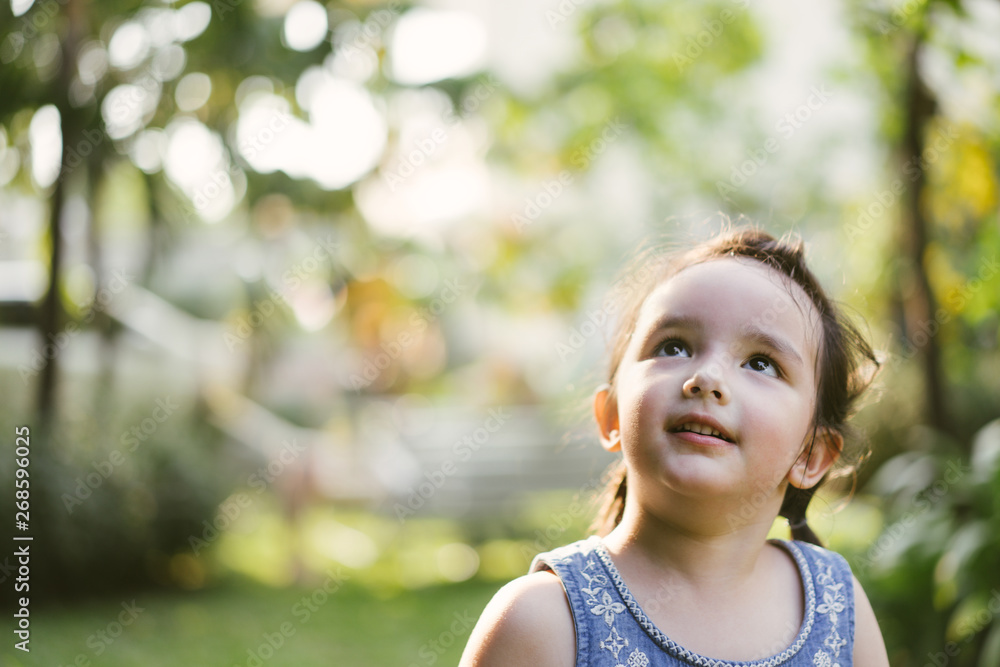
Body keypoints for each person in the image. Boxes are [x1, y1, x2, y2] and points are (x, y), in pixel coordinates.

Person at [459, 227, 890, 666]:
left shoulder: (839, 611)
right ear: (610, 416)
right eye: (674, 346)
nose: (706, 378)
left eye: (761, 363)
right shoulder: (543, 623)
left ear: (810, 455)